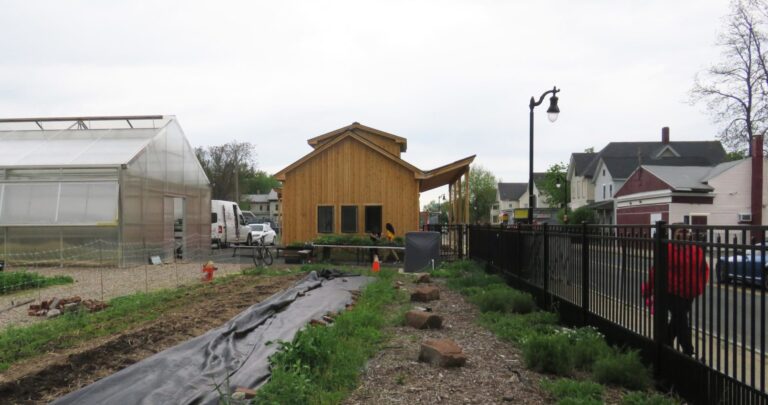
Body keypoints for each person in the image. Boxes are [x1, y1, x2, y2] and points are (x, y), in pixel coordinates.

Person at [641, 228, 709, 356]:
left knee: (677, 320)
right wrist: (649, 288)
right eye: (680, 231)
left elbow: (704, 269)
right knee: (682, 320)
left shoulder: (697, 250)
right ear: (674, 234)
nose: (684, 234)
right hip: (672, 292)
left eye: (686, 231)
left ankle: (665, 344)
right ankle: (689, 351)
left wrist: (699, 285)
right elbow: (655, 270)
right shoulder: (667, 249)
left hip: (689, 293)